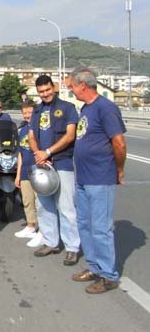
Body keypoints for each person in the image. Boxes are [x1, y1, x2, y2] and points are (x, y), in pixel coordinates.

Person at [66, 67, 126, 294]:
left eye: (72, 86)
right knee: (85, 224)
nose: (71, 90)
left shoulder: (106, 108)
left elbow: (119, 143)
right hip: (83, 177)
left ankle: (108, 275)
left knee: (101, 228)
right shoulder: (87, 109)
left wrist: (119, 169)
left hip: (100, 177)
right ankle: (94, 266)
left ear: (83, 85)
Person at [28, 75, 81, 266]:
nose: (45, 94)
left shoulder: (67, 108)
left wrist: (48, 152)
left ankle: (72, 247)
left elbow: (70, 135)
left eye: (47, 90)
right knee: (44, 205)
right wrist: (37, 153)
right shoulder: (37, 111)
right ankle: (50, 242)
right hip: (42, 164)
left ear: (54, 87)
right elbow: (32, 135)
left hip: (62, 162)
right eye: (41, 91)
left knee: (66, 207)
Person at [14, 100, 41, 245]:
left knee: (40, 202)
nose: (27, 115)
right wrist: (18, 174)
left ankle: (43, 231)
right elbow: (20, 154)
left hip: (38, 170)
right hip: (25, 170)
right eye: (24, 113)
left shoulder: (40, 129)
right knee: (27, 200)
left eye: (29, 112)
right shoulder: (23, 130)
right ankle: (30, 226)